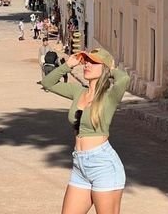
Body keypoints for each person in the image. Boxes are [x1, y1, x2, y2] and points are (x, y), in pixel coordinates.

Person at [41, 48, 130, 214]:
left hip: (103, 165)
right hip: (79, 165)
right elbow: (48, 83)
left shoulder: (109, 96)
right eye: (86, 61)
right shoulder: (78, 92)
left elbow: (124, 78)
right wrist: (68, 65)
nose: (87, 64)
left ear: (103, 67)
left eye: (94, 62)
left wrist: (110, 70)